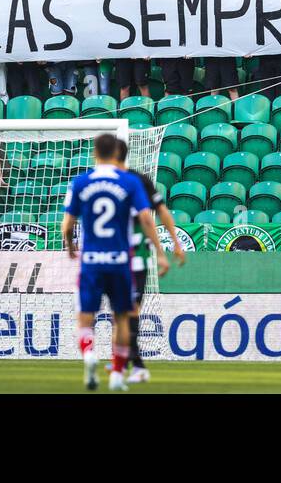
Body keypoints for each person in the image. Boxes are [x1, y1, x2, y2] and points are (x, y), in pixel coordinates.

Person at [60, 132, 167, 391]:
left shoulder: (81, 181)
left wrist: (71, 244)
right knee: (121, 318)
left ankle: (89, 353)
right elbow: (145, 218)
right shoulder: (129, 182)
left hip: (92, 261)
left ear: (95, 152)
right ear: (117, 153)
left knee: (85, 317)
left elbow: (67, 224)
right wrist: (160, 251)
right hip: (121, 261)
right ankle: (118, 375)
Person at [120, 135, 185, 383]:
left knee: (126, 310)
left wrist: (166, 248)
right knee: (124, 311)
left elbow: (152, 216)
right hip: (127, 255)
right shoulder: (131, 181)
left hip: (130, 254)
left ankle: (131, 363)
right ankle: (126, 362)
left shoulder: (135, 182)